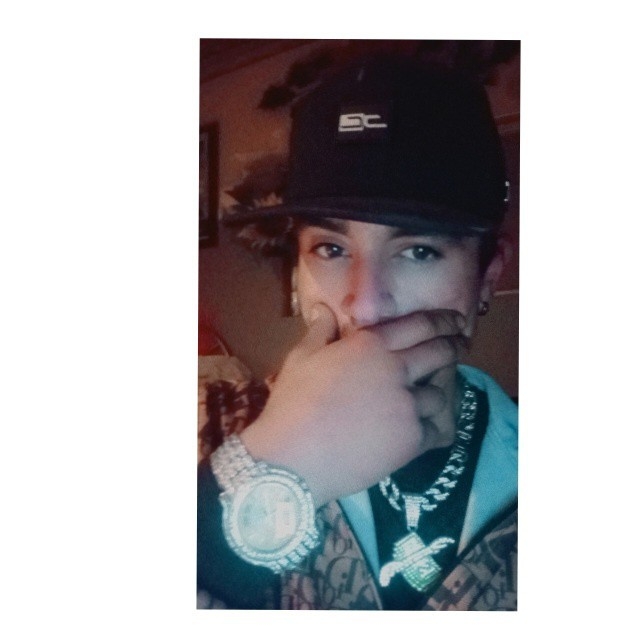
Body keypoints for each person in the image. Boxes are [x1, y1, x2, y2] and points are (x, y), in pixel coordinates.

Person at [197, 54, 518, 611]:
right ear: (297, 273)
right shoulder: (206, 424)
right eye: (330, 248)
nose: (366, 304)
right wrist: (275, 467)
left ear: (486, 278)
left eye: (419, 251)